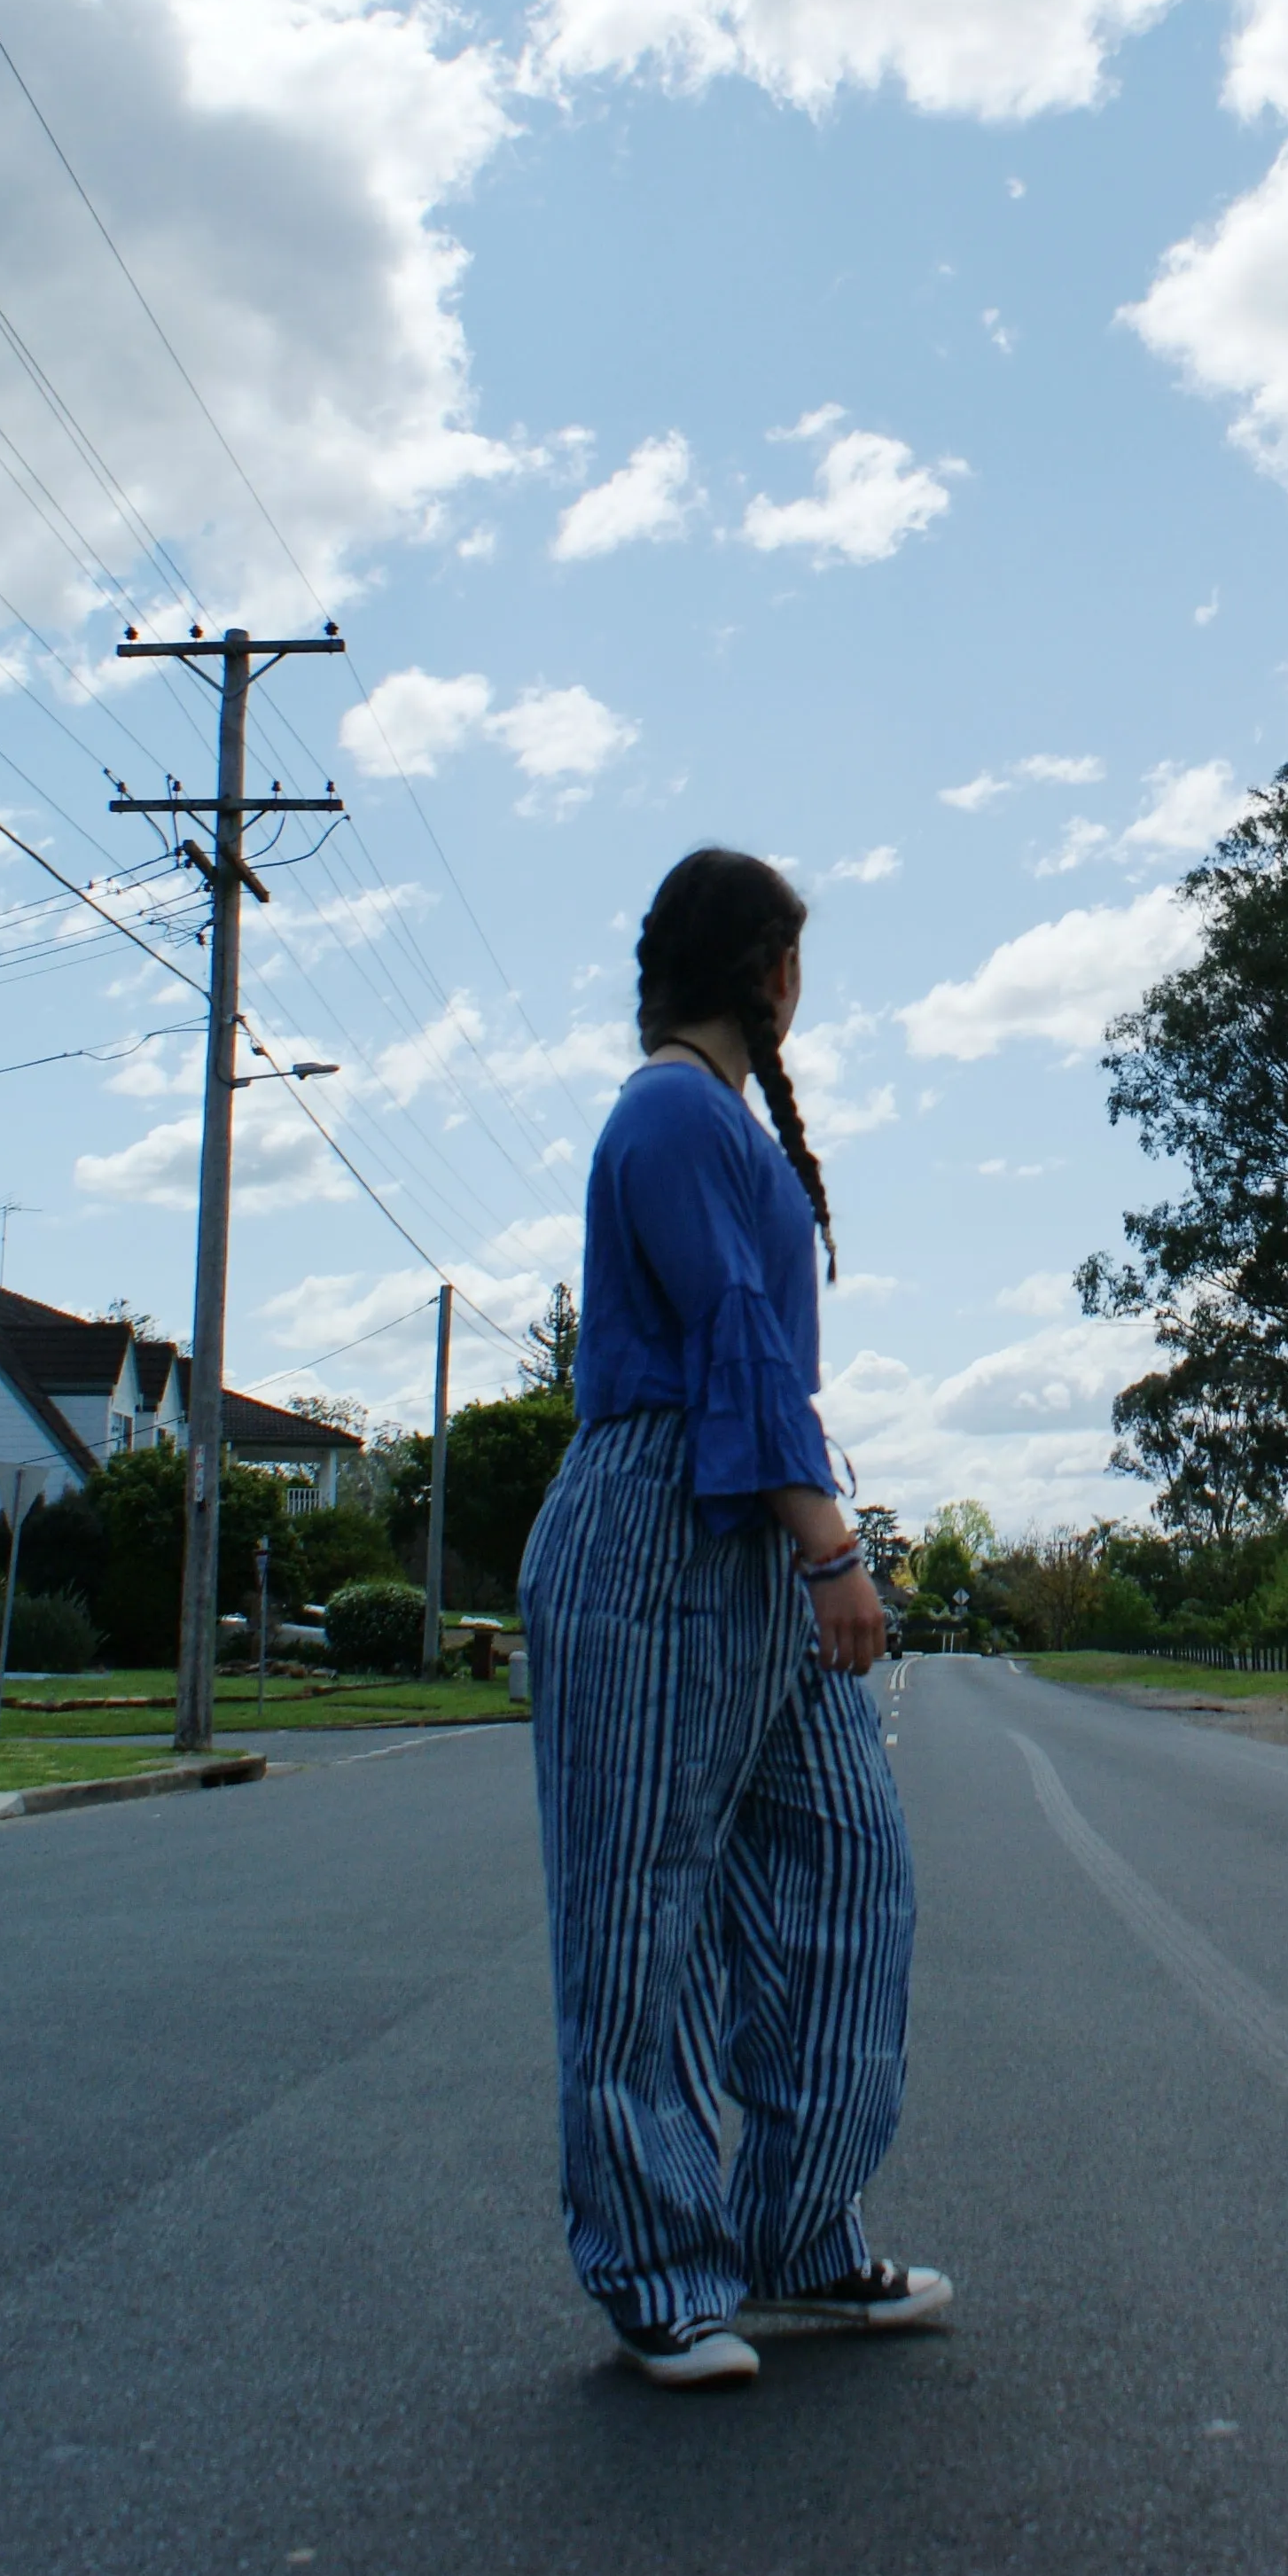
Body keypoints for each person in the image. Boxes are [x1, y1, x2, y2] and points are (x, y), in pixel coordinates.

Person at [519, 845, 948, 2385]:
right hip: (655, 1531)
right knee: (637, 1914)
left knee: (851, 1869)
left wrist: (804, 1548)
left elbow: (764, 1358)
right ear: (768, 971)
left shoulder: (722, 1125)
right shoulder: (669, 1114)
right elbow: (734, 1339)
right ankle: (653, 2268)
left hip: (748, 1540)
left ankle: (793, 2232)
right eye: (798, 964)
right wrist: (835, 1550)